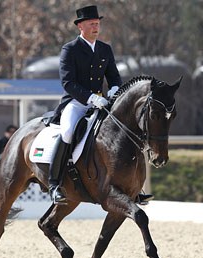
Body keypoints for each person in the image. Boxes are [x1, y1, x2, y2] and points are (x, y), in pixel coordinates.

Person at [48, 5, 153, 204]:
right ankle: (55, 185)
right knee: (68, 131)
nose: (96, 27)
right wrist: (90, 98)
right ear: (81, 26)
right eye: (92, 24)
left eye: (97, 24)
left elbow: (114, 76)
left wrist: (114, 89)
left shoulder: (105, 49)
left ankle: (132, 188)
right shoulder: (70, 49)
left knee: (123, 131)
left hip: (103, 101)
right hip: (78, 102)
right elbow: (68, 83)